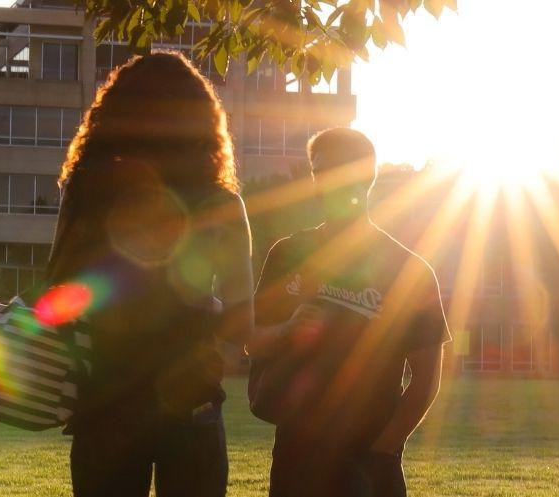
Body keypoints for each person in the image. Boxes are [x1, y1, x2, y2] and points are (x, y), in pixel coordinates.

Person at [46, 52, 255, 497]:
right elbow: (243, 320)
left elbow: (58, 292)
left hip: (105, 404)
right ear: (200, 121)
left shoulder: (85, 190)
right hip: (192, 399)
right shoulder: (220, 203)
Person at [248, 127, 450, 497]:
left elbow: (425, 382)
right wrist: (286, 331)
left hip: (369, 460)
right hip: (297, 456)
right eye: (320, 171)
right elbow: (252, 340)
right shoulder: (287, 254)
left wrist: (384, 450)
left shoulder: (410, 269)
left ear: (367, 178)